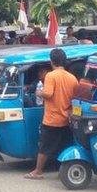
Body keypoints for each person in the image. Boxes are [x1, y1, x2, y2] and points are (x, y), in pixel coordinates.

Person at [25, 48, 77, 180]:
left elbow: (48, 93)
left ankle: (38, 171)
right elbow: (75, 98)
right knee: (65, 144)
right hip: (67, 118)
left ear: (51, 61)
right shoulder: (72, 78)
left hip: (52, 118)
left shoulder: (50, 76)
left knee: (44, 146)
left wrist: (38, 93)